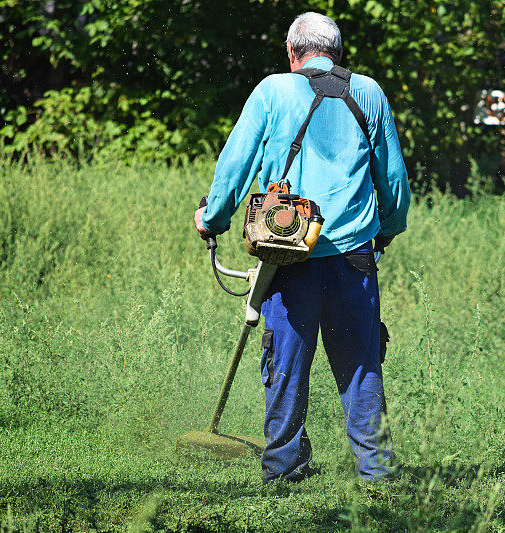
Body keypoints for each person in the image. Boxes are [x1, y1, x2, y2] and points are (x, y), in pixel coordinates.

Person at [194, 12, 410, 483]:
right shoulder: (368, 92)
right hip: (354, 258)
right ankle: (377, 476)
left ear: (293, 52)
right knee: (360, 368)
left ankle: (285, 471)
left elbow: (235, 164)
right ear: (336, 51)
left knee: (286, 366)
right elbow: (393, 179)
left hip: (288, 258)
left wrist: (210, 219)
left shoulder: (272, 91)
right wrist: (387, 230)